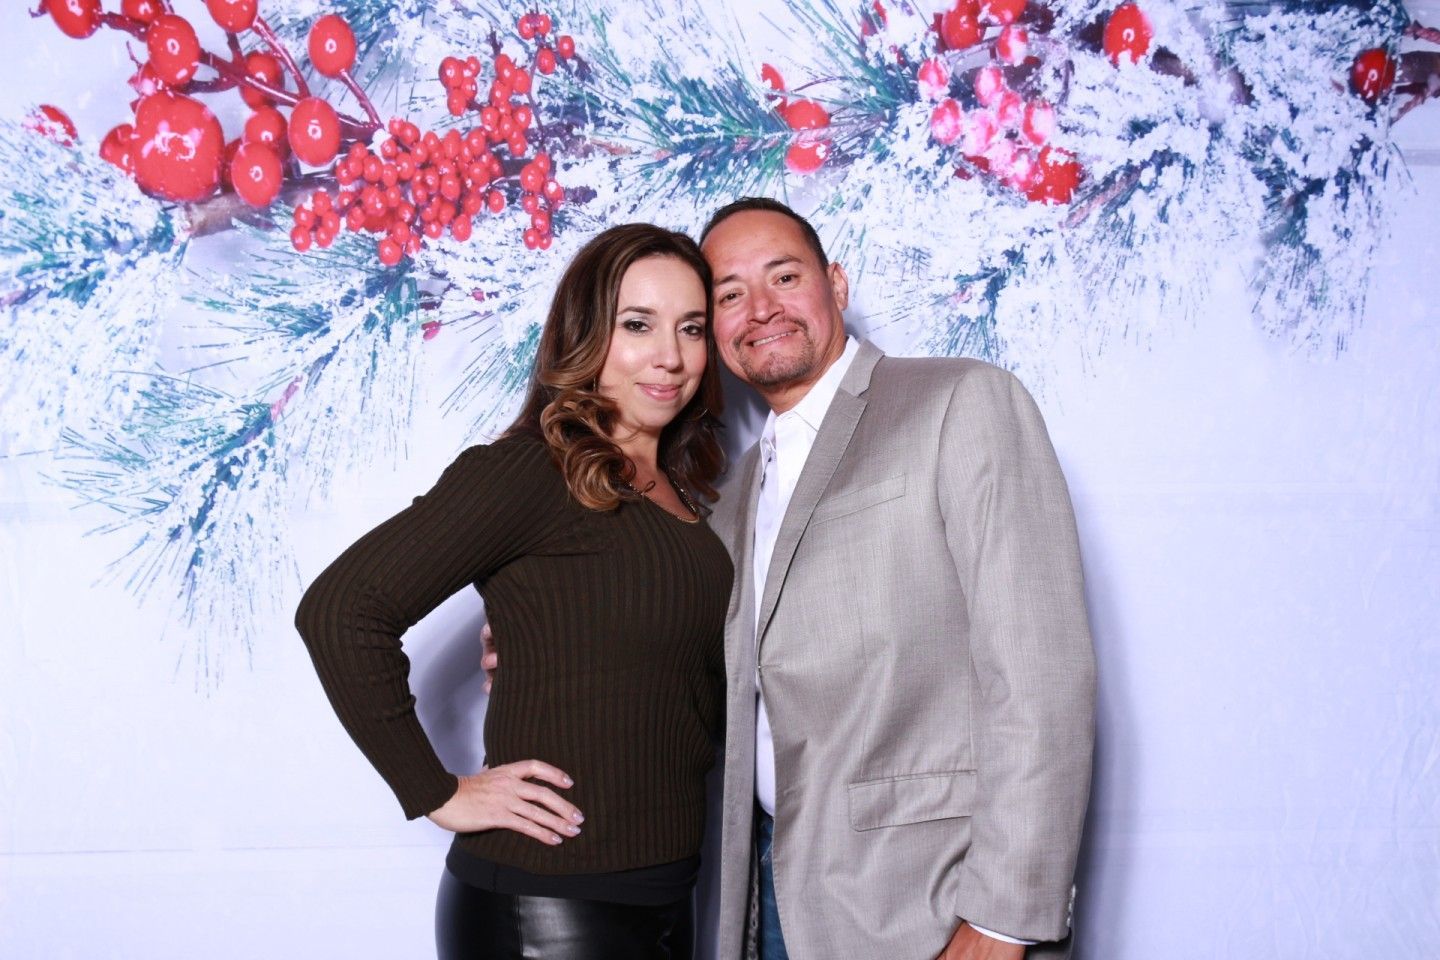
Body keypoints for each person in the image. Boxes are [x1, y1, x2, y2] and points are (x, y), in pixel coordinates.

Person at [294, 223, 733, 960]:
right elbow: (342, 611)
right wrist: (438, 792)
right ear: (586, 336)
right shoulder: (534, 471)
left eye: (692, 328)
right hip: (548, 906)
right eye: (638, 325)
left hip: (667, 894)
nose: (671, 356)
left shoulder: (680, 495)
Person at [697, 198, 1096, 960]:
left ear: (837, 284)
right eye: (729, 294)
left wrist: (1003, 919)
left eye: (784, 276)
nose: (761, 309)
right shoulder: (733, 495)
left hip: (930, 903)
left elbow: (1041, 673)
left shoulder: (960, 401)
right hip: (773, 901)